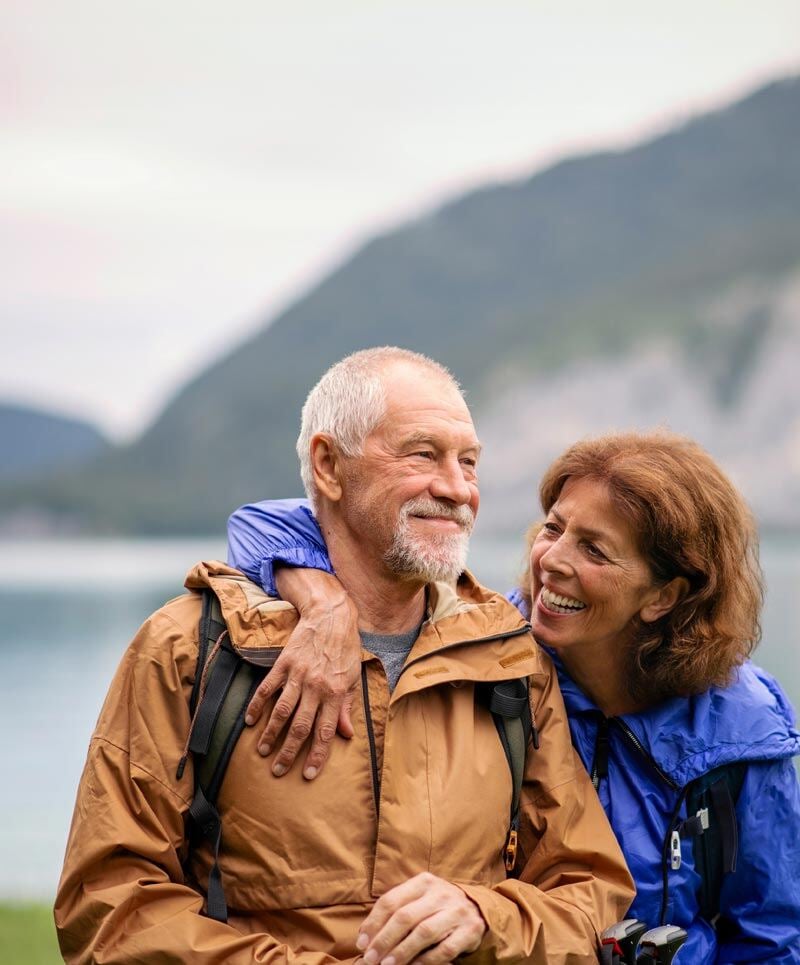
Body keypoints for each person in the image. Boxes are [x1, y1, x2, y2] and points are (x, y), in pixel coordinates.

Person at [55, 347, 634, 965]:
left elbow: (589, 893)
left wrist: (484, 916)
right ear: (329, 466)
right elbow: (111, 909)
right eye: (423, 454)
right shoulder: (189, 649)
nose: (458, 488)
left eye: (468, 462)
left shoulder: (510, 656)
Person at [228, 430, 800, 963]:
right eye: (554, 528)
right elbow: (259, 523)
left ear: (664, 595)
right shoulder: (487, 650)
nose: (551, 561)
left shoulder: (742, 730)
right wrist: (322, 599)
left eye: (595, 551)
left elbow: (772, 937)